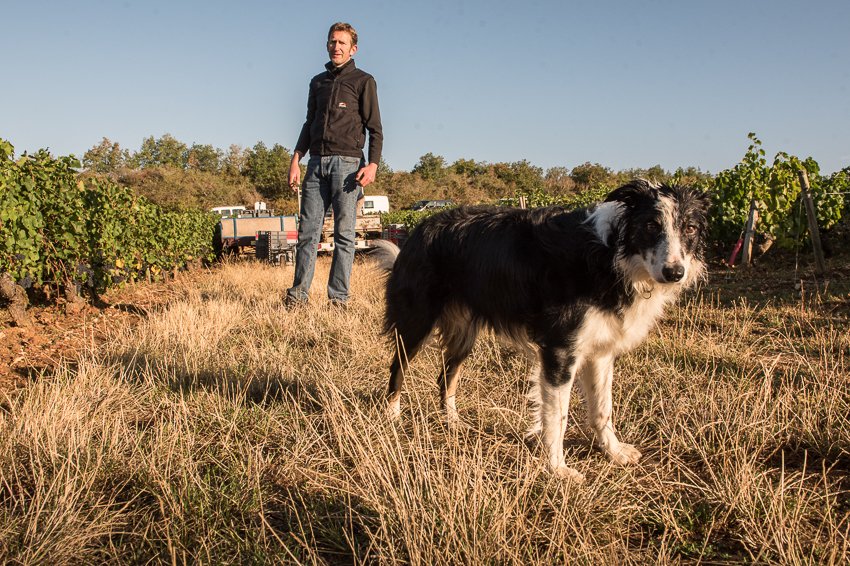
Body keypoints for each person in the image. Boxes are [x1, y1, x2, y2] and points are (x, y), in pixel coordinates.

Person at [286, 22, 383, 307]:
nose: (336, 47)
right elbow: (309, 122)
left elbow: (375, 128)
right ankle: (298, 297)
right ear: (327, 45)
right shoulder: (317, 82)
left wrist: (373, 164)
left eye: (342, 43)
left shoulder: (364, 81)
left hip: (349, 166)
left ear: (353, 49)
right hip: (316, 164)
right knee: (307, 233)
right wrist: (296, 158)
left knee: (344, 235)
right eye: (332, 42)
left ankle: (338, 298)